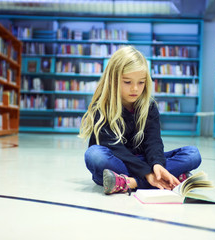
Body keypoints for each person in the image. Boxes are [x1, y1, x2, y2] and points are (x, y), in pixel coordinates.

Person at [79, 46, 201, 195]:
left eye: (141, 82)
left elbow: (154, 141)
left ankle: (128, 183)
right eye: (127, 82)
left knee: (193, 154)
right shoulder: (102, 108)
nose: (135, 89)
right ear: (113, 80)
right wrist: (147, 173)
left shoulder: (149, 107)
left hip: (144, 161)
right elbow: (116, 149)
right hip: (118, 161)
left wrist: (156, 164)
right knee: (94, 155)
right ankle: (168, 178)